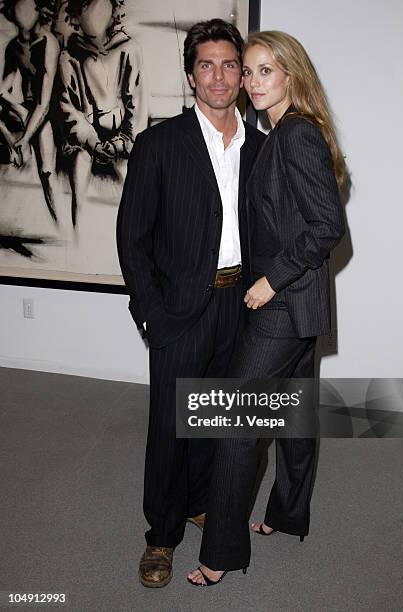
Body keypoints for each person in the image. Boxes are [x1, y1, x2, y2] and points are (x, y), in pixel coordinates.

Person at [187, 30, 346, 587]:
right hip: (302, 308)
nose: (251, 82)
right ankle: (288, 514)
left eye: (264, 71)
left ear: (291, 74)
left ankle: (220, 554)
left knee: (237, 425)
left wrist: (269, 282)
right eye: (248, 72)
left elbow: (329, 226)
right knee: (296, 417)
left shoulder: (296, 134)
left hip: (282, 305)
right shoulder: (279, 133)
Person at [116, 18, 265, 588]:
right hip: (180, 308)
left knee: (217, 416)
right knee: (170, 426)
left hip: (242, 306)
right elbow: (133, 237)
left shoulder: (259, 145)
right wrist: (150, 310)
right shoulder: (160, 143)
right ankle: (161, 535)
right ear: (190, 76)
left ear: (242, 76)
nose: (221, 76)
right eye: (208, 65)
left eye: (231, 64)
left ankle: (203, 502)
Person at [58, 0, 144, 225]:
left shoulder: (129, 49)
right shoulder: (69, 56)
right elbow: (69, 109)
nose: (93, 12)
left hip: (123, 139)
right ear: (76, 13)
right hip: (86, 141)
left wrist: (122, 143)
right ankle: (76, 244)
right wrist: (92, 143)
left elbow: (136, 104)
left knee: (138, 191)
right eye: (85, 5)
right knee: (79, 187)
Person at [0, 0, 60, 221]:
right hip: (27, 109)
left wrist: (25, 138)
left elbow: (44, 103)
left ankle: (61, 225)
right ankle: (12, 146)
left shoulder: (48, 42)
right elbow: (5, 85)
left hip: (51, 112)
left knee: (46, 172)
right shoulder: (13, 47)